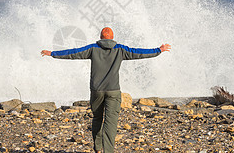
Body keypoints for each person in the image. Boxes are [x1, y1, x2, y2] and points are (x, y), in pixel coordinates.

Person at [41, 27, 171, 153]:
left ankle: (98, 149)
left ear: (100, 37)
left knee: (97, 118)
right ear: (113, 38)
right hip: (113, 91)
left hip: (97, 91)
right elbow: (139, 52)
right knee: (111, 122)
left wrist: (53, 53)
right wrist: (158, 50)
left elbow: (73, 53)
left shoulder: (93, 48)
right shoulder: (120, 49)